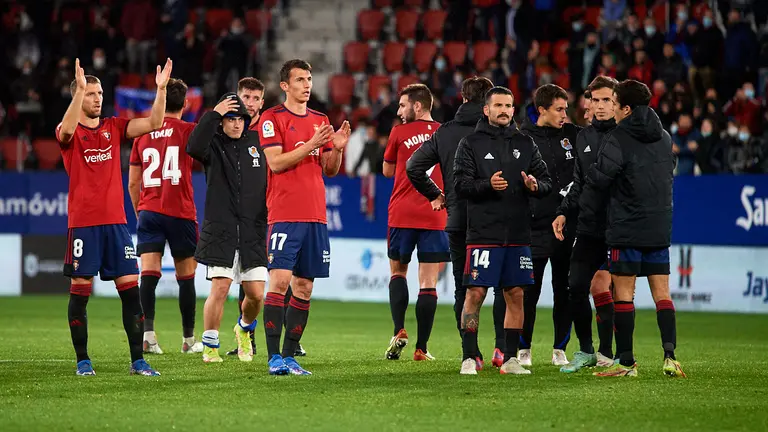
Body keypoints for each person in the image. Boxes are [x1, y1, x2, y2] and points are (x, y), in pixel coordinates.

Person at [58, 58, 173, 376]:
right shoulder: (69, 131)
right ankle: (83, 361)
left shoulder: (113, 126)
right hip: (83, 224)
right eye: (90, 93)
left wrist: (161, 90)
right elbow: (66, 131)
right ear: (78, 96)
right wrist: (78, 91)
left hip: (116, 224)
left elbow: (154, 123)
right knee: (80, 292)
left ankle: (138, 361)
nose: (97, 99)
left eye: (99, 93)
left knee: (130, 291)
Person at [406, 76, 509, 369]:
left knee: (464, 288)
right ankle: (502, 348)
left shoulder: (445, 132)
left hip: (458, 220)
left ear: (462, 98)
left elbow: (413, 167)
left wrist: (436, 194)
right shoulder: (501, 130)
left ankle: (471, 352)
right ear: (489, 102)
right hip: (496, 219)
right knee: (504, 286)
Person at [258, 59, 351, 375]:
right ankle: (273, 357)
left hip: (315, 215)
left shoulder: (320, 119)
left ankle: (289, 357)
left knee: (304, 287)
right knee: (279, 281)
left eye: (309, 79)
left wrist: (337, 149)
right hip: (285, 213)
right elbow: (275, 163)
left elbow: (329, 169)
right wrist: (312, 144)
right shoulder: (272, 118)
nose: (307, 84)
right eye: (300, 79)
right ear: (285, 85)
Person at [587, 79, 685, 378]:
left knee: (624, 294)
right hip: (658, 227)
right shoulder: (664, 137)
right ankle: (670, 357)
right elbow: (669, 168)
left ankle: (627, 362)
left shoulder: (618, 137)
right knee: (662, 293)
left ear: (627, 109)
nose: (612, 109)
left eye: (615, 104)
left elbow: (600, 179)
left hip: (626, 226)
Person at [453, 86, 552, 375]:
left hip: (518, 234)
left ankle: (509, 359)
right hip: (483, 233)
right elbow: (460, 184)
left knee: (516, 294)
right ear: (486, 110)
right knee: (475, 293)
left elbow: (546, 181)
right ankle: (469, 356)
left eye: (508, 105)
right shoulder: (470, 143)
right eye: (498, 105)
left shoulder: (525, 142)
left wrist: (535, 185)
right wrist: (487, 185)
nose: (504, 110)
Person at [186, 92, 267, 364]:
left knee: (256, 295)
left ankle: (243, 328)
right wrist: (213, 114)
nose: (236, 123)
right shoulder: (213, 145)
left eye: (240, 119)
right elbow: (193, 146)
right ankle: (210, 345)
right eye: (230, 118)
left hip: (252, 230)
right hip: (222, 229)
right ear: (221, 121)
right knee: (220, 288)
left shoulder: (257, 143)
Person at [127, 78, 202, 355]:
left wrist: (141, 211)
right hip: (180, 212)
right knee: (186, 277)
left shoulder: (143, 133)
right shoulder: (189, 131)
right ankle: (189, 341)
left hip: (150, 211)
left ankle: (148, 337)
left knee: (148, 275)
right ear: (185, 103)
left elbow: (133, 183)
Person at [552, 76, 618, 373]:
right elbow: (578, 183)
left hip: (618, 226)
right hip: (589, 226)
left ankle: (610, 352)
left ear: (617, 103)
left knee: (612, 289)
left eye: (606, 100)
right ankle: (587, 350)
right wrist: (564, 211)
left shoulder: (626, 135)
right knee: (576, 285)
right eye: (595, 100)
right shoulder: (584, 137)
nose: (599, 106)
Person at [381, 84, 448, 362]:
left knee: (398, 272)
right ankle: (421, 348)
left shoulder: (398, 132)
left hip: (402, 213)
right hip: (435, 213)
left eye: (402, 105)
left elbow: (387, 171)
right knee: (428, 282)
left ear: (417, 106)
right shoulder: (445, 133)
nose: (399, 111)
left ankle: (399, 330)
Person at [519, 84, 581, 367]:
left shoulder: (573, 135)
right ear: (542, 110)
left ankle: (560, 349)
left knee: (564, 289)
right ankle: (523, 348)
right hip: (535, 225)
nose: (564, 115)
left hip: (567, 224)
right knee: (529, 291)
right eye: (559, 109)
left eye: (566, 109)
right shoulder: (523, 138)